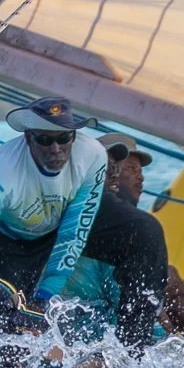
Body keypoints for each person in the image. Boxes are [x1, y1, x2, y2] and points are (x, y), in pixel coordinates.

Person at [0, 97, 108, 302]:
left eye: (64, 138)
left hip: (54, 229)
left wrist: (46, 296)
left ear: (74, 135)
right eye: (45, 140)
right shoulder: (1, 173)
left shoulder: (93, 155)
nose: (56, 148)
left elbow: (74, 233)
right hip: (3, 238)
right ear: (29, 138)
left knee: (142, 228)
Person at [61, 133, 168, 350]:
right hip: (87, 346)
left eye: (140, 171)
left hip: (77, 337)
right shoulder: (123, 233)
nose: (141, 178)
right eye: (129, 168)